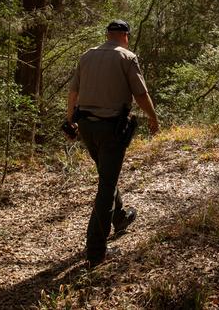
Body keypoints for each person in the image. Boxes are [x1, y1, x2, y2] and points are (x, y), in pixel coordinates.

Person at [66, 19, 159, 267]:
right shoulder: (127, 57)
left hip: (86, 126)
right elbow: (140, 94)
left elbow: (73, 93)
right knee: (106, 185)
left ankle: (120, 218)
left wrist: (70, 122)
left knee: (107, 174)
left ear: (107, 34)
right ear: (125, 36)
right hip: (112, 128)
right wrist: (153, 118)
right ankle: (96, 251)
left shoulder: (87, 55)